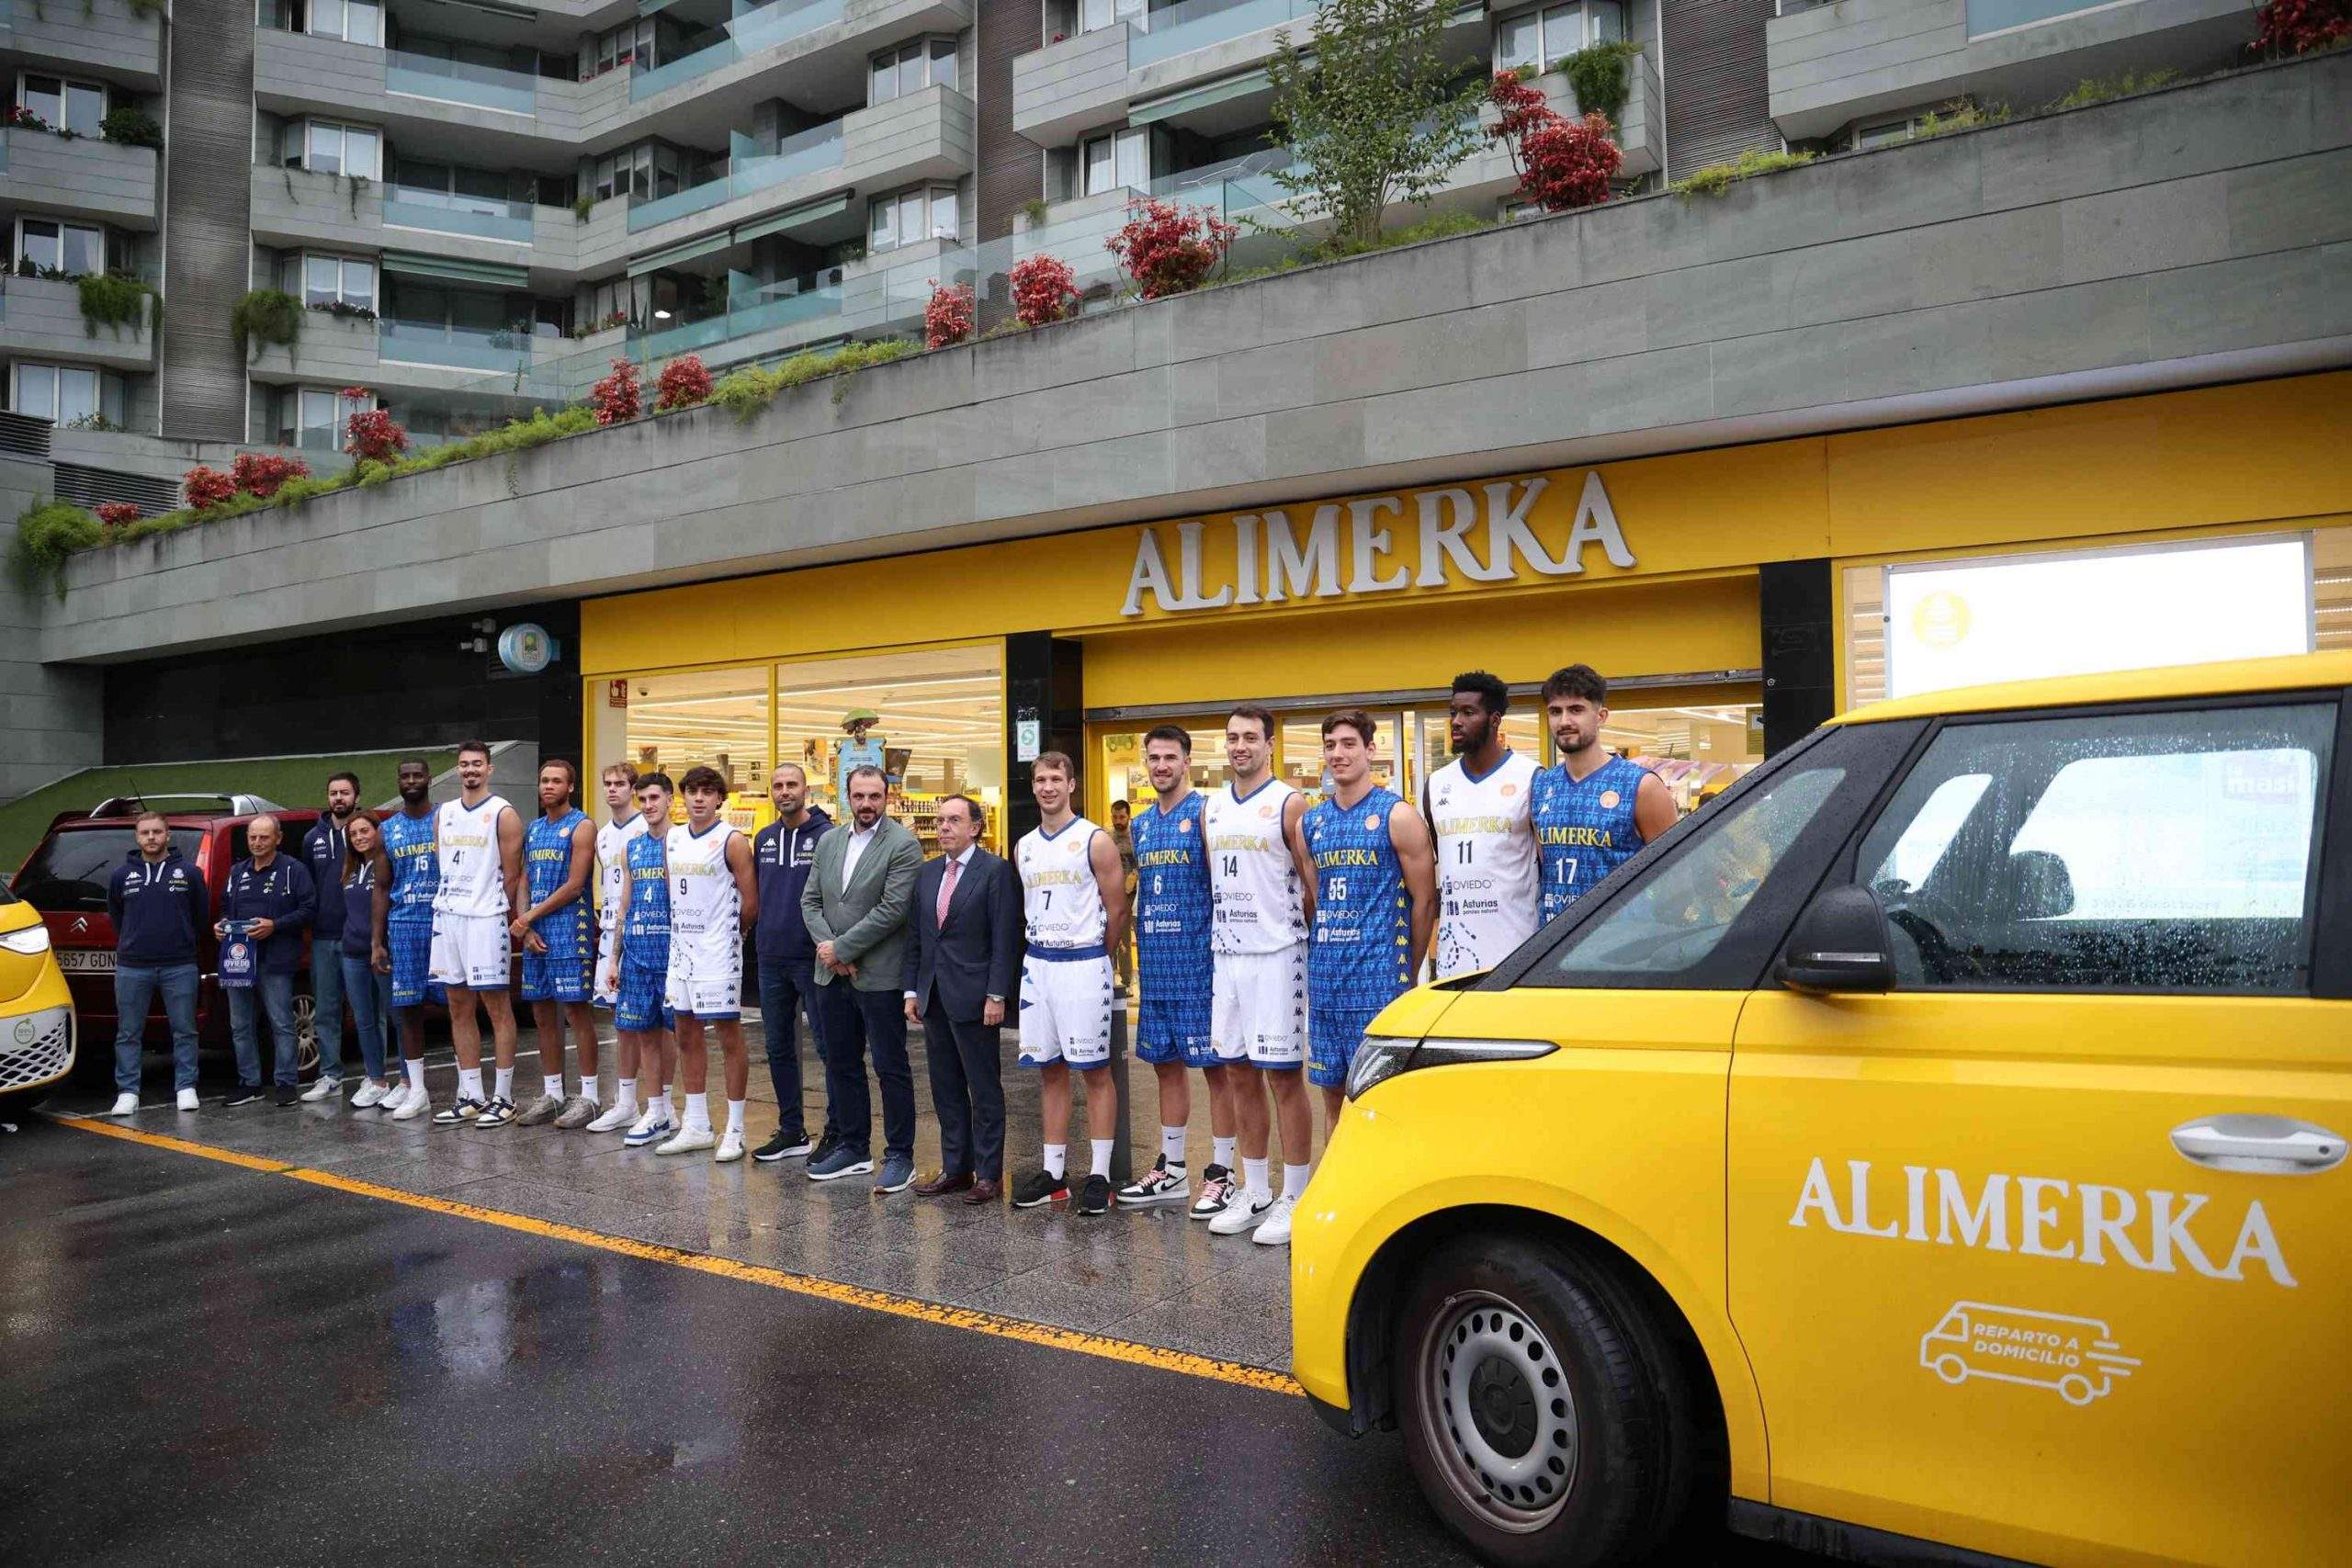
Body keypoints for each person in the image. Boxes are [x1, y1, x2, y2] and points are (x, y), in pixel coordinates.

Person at [1202, 706, 1317, 1241]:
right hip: (1229, 956)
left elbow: (1309, 879)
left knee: (1284, 1077)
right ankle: (1255, 1188)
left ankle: (1296, 1193)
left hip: (1278, 954)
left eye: (1250, 737)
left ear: (1271, 743)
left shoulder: (1289, 803)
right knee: (1237, 1073)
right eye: (1232, 737)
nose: (1240, 745)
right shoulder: (1213, 808)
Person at [1305, 711, 1437, 1143]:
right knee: (1331, 1099)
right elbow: (1316, 898)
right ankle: (1337, 1203)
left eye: (1348, 744)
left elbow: (1425, 900)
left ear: (1370, 750)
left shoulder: (1396, 815)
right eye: (1330, 746)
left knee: (1381, 1102)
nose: (1338, 754)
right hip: (1327, 984)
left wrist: (1404, 967)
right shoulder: (1313, 822)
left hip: (1378, 985)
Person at [1114, 725, 1229, 1213]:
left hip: (1199, 964)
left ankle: (1222, 1172)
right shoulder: (1140, 825)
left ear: (1188, 760)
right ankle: (1174, 1169)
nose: (1161, 765)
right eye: (1154, 757)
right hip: (1157, 962)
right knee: (1165, 1068)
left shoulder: (1205, 814)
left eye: (1170, 757)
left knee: (1216, 1070)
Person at [1009, 753, 1127, 1215]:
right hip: (1039, 966)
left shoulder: (1094, 840)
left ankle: (1099, 1175)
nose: (1047, 787)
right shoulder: (1024, 846)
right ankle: (1054, 1174)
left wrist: (1098, 955)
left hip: (1082, 962)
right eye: (1040, 779)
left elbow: (1117, 910)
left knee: (1095, 1071)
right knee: (1049, 1070)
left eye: (1056, 778)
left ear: (1072, 784)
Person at [801, 763, 923, 1190]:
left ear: (887, 797)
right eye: (859, 796)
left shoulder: (904, 845)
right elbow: (810, 902)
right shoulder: (830, 841)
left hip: (879, 976)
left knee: (890, 1066)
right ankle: (853, 1147)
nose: (867, 804)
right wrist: (830, 952)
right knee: (841, 1064)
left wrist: (843, 949)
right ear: (846, 797)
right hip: (832, 974)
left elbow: (892, 910)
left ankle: (900, 1155)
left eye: (874, 796)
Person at [902, 794, 1021, 1202]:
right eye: (940, 820)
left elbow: (1005, 937)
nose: (944, 827)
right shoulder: (928, 873)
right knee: (945, 1087)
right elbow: (917, 935)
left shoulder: (995, 872)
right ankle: (956, 1168)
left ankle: (988, 1174)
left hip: (975, 996)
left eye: (954, 820)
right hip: (934, 995)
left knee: (983, 1088)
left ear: (975, 827)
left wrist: (996, 994)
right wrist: (912, 989)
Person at [656, 766, 760, 1160]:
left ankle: (735, 1128)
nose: (698, 798)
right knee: (685, 1032)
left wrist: (731, 937)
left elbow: (750, 903)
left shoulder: (731, 840)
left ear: (720, 798)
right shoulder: (673, 837)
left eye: (707, 792)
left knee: (728, 1036)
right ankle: (697, 1123)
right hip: (682, 949)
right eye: (692, 791)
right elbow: (672, 890)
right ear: (682, 796)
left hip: (718, 950)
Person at [1531, 664, 1677, 921]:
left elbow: (1675, 874)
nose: (1564, 721)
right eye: (1555, 711)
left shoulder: (1641, 785)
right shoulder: (1542, 786)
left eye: (1576, 710)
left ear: (1601, 716)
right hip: (1553, 945)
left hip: (1621, 948)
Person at [429, 740, 525, 1127]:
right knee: (457, 1005)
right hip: (448, 914)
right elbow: (442, 861)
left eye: (477, 764)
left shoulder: (503, 813)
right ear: (458, 769)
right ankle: (470, 1093)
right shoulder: (445, 813)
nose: (470, 771)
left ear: (490, 769)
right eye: (464, 765)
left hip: (485, 918)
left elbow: (512, 873)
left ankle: (504, 1097)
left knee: (496, 1006)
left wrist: (492, 909)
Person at [1422, 671, 1540, 979]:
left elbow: (1545, 862)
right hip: (1454, 957)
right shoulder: (1436, 784)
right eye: (1453, 712)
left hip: (1517, 952)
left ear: (1494, 719)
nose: (1456, 721)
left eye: (1468, 712)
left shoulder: (1531, 777)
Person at [750, 763, 832, 1164]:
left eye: (792, 785)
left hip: (813, 959)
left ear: (806, 789)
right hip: (770, 958)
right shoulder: (763, 838)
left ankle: (837, 1131)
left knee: (828, 1046)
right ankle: (791, 1129)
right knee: (778, 1046)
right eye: (778, 785)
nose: (785, 791)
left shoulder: (828, 836)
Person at [513, 761, 601, 1128]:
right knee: (541, 1013)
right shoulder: (533, 829)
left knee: (576, 1012)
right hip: (536, 934)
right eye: (544, 781)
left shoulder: (581, 826)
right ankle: (553, 1093)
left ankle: (591, 1097)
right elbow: (523, 880)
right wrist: (525, 925)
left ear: (571, 787)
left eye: (556, 781)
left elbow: (575, 884)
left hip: (569, 929)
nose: (548, 786)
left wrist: (529, 917)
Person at [104, 811, 208, 1115]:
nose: (151, 837)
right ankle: (127, 1092)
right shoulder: (121, 875)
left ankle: (186, 1087)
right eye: (145, 833)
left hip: (180, 965)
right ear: (137, 837)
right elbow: (117, 915)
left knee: (184, 1029)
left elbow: (199, 916)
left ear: (168, 835)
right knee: (128, 1032)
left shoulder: (189, 873)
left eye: (157, 832)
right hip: (133, 966)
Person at [215, 813, 315, 1108]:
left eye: (264, 837)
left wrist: (276, 925)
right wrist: (221, 926)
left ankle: (286, 1082)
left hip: (276, 960)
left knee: (282, 1023)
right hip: (238, 963)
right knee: (240, 1025)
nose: (257, 843)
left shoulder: (293, 871)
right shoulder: (237, 872)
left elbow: (309, 910)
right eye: (252, 837)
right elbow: (224, 907)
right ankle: (250, 1083)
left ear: (278, 839)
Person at [586, 764, 665, 1134]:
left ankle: (661, 1103)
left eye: (620, 784)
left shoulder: (648, 829)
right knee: (623, 1023)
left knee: (661, 1026)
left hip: (656, 935)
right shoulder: (603, 835)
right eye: (608, 784)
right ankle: (626, 1101)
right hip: (617, 933)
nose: (612, 790)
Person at [606, 772, 681, 1149]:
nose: (649, 806)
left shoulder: (682, 842)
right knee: (645, 1033)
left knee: (676, 1034)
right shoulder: (631, 848)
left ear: (669, 799)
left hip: (673, 953)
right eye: (643, 800)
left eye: (655, 798)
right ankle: (654, 1110)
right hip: (636, 950)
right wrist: (614, 958)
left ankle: (670, 1107)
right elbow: (624, 904)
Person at [379, 758, 442, 1120]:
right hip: (403, 926)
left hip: (444, 924)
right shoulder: (389, 829)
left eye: (418, 774)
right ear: (399, 781)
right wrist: (377, 941)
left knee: (458, 1003)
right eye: (406, 776)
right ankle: (416, 1089)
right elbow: (383, 887)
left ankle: (468, 1088)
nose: (413, 780)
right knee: (407, 1009)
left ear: (429, 778)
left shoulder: (445, 820)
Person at [299, 772, 361, 1102]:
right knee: (326, 1010)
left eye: (345, 793)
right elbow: (307, 889)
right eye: (334, 793)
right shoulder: (313, 839)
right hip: (324, 938)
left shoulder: (366, 834)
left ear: (356, 797)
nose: (339, 798)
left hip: (360, 937)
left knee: (368, 1010)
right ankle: (330, 1075)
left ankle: (374, 1078)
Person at [339, 814, 400, 1107]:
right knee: (363, 1020)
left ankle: (408, 1081)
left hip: (384, 950)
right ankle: (376, 1079)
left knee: (396, 1015)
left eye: (365, 831)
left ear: (378, 831)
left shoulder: (387, 862)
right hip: (352, 951)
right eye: (354, 834)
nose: (360, 837)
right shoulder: (350, 868)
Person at [1108, 797, 1137, 990]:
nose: (1118, 821)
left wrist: (1133, 878)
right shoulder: (1107, 837)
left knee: (1131, 937)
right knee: (1115, 936)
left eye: (1122, 817)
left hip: (1134, 894)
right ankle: (1115, 980)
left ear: (1128, 816)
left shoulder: (1135, 836)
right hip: (1113, 893)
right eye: (1115, 817)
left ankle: (1128, 981)